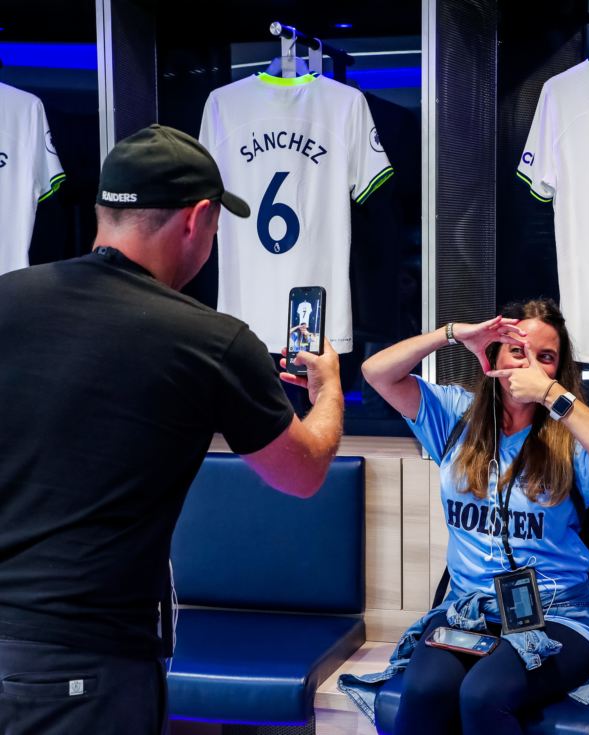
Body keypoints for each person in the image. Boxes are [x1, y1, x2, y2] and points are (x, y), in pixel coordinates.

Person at [0, 125, 343, 735]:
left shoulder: (7, 298)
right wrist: (329, 391)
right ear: (199, 218)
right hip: (86, 663)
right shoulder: (210, 341)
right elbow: (305, 470)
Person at [355, 297, 589, 735]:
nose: (529, 364)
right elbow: (375, 373)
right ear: (493, 356)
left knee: (483, 696)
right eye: (517, 348)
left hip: (556, 615)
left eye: (545, 357)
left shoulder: (566, 440)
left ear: (557, 371)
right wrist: (454, 334)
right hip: (467, 609)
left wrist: (549, 394)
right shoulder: (456, 417)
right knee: (424, 693)